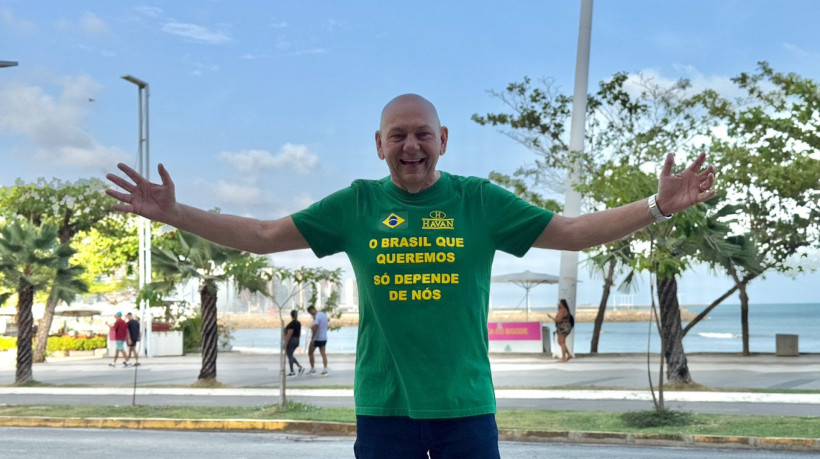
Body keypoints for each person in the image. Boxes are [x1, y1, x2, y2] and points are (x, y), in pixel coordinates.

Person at [106, 93, 715, 458]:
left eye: (423, 133)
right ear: (378, 144)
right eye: (398, 135)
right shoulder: (357, 205)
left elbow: (571, 232)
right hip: (384, 407)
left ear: (444, 140)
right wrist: (173, 213)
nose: (411, 145)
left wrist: (657, 206)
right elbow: (266, 237)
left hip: (465, 406)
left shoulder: (479, 201)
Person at [306, 305, 329, 376]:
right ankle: (325, 369)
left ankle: (313, 369)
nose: (311, 314)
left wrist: (313, 338)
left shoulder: (317, 316)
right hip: (324, 337)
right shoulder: (323, 314)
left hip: (317, 338)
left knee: (310, 352)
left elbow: (315, 327)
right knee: (323, 354)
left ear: (312, 310)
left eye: (310, 312)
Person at [284, 309, 304, 376]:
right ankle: (299, 367)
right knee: (290, 355)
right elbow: (299, 332)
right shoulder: (298, 323)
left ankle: (293, 371)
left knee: (289, 356)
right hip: (297, 339)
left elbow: (289, 334)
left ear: (291, 315)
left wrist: (285, 343)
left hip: (291, 340)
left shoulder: (291, 324)